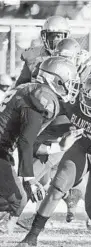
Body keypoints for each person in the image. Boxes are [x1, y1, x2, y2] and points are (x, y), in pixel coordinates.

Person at [20, 72, 91, 247]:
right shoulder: (71, 102)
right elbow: (53, 118)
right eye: (89, 99)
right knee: (57, 187)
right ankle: (32, 236)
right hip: (80, 147)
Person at [0, 57, 80, 231]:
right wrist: (29, 179)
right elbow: (25, 141)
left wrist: (60, 147)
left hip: (4, 150)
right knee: (17, 199)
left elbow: (28, 141)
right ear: (56, 80)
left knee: (16, 197)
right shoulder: (43, 98)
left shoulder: (28, 88)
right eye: (68, 82)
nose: (71, 87)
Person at [15, 16, 70, 86]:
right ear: (44, 36)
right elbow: (21, 85)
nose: (55, 40)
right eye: (51, 36)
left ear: (66, 36)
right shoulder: (33, 55)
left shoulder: (72, 55)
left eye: (58, 36)